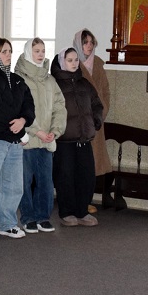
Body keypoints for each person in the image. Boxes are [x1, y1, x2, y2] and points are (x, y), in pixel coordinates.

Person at [0, 38, 35, 241]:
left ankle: (7, 223)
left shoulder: (17, 80)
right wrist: (17, 127)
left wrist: (24, 120)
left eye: (10, 51)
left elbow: (28, 104)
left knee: (12, 185)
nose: (8, 55)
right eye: (3, 51)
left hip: (14, 141)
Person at [15, 37, 66, 234]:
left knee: (46, 181)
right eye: (36, 51)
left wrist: (54, 131)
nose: (40, 54)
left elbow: (60, 107)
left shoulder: (50, 80)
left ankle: (42, 217)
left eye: (43, 50)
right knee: (25, 181)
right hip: (29, 139)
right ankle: (28, 217)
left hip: (47, 140)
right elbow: (19, 109)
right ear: (29, 52)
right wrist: (37, 131)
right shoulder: (19, 77)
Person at [51, 47, 104, 227]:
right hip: (64, 140)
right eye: (70, 60)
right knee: (65, 176)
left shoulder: (84, 83)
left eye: (76, 60)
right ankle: (67, 212)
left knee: (87, 176)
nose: (74, 63)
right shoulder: (55, 84)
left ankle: (82, 211)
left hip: (83, 138)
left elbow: (97, 104)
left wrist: (96, 121)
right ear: (61, 62)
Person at [72, 29, 112, 208]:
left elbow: (106, 92)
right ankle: (77, 201)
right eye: (85, 42)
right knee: (78, 164)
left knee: (92, 164)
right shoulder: (72, 63)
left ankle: (86, 201)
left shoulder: (98, 64)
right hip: (78, 123)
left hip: (95, 121)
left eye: (91, 42)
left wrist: (100, 114)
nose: (88, 46)